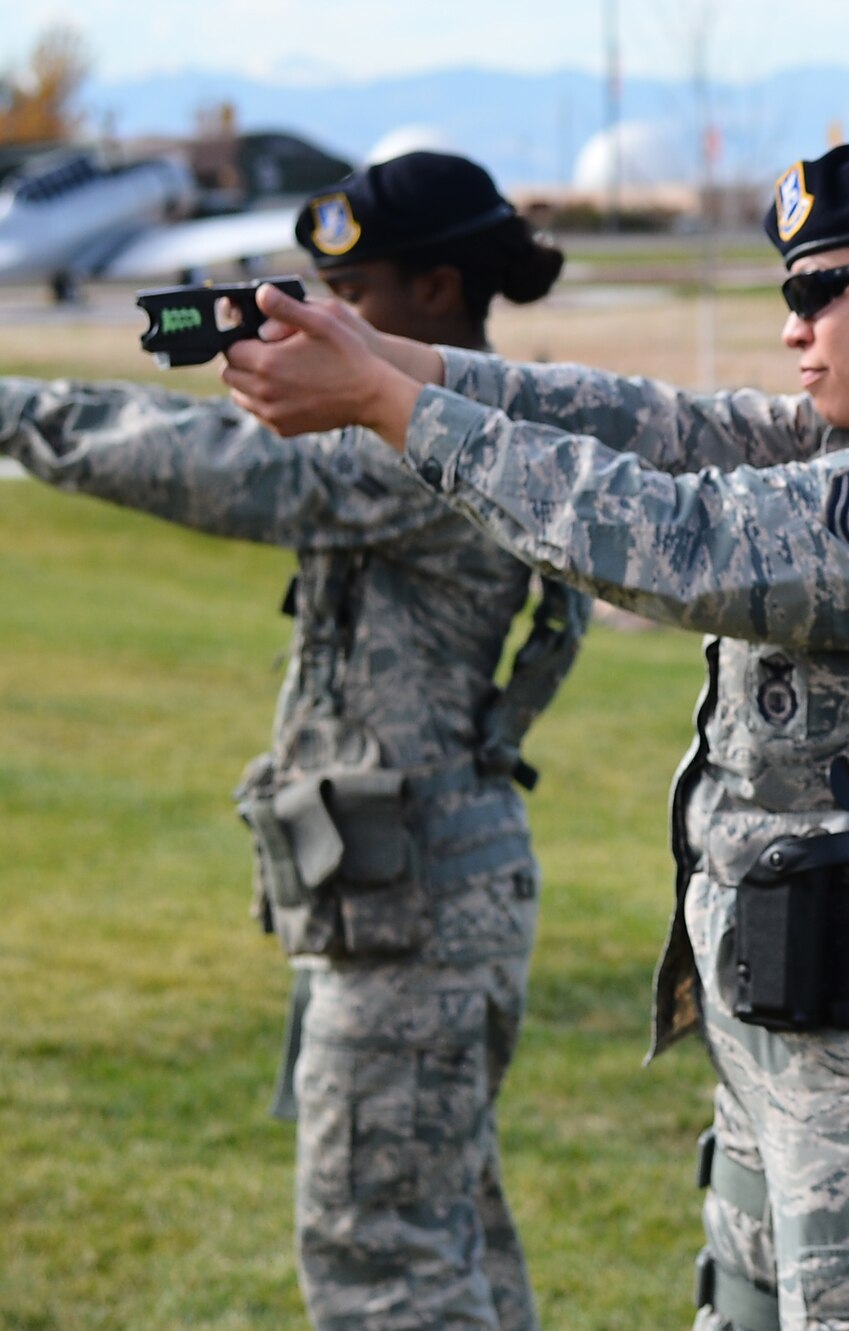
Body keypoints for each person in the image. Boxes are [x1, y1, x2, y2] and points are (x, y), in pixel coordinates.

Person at [218, 134, 849, 1331]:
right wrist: (398, 356)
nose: (793, 327)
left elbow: (679, 536)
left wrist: (390, 406)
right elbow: (655, 427)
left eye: (815, 291)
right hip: (806, 1034)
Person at [0, 151, 586, 1331]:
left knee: (383, 1261)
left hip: (413, 912)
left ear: (433, 293)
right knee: (443, 1233)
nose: (317, 322)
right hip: (401, 898)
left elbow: (214, 465)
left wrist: (14, 410)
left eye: (345, 295)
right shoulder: (456, 426)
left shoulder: (430, 446)